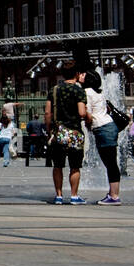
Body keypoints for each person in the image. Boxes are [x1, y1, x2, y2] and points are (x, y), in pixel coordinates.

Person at [45, 63, 88, 205]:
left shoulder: (54, 90)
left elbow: (47, 113)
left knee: (57, 165)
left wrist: (48, 129)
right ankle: (74, 196)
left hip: (58, 132)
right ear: (76, 74)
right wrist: (89, 116)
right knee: (75, 166)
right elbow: (82, 112)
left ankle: (58, 195)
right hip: (75, 132)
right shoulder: (78, 91)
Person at [81, 71, 121, 205]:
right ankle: (112, 193)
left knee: (110, 163)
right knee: (111, 162)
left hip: (102, 129)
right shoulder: (99, 92)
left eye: (83, 75)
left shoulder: (86, 92)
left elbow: (88, 114)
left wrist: (87, 122)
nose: (80, 76)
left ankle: (114, 196)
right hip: (110, 126)